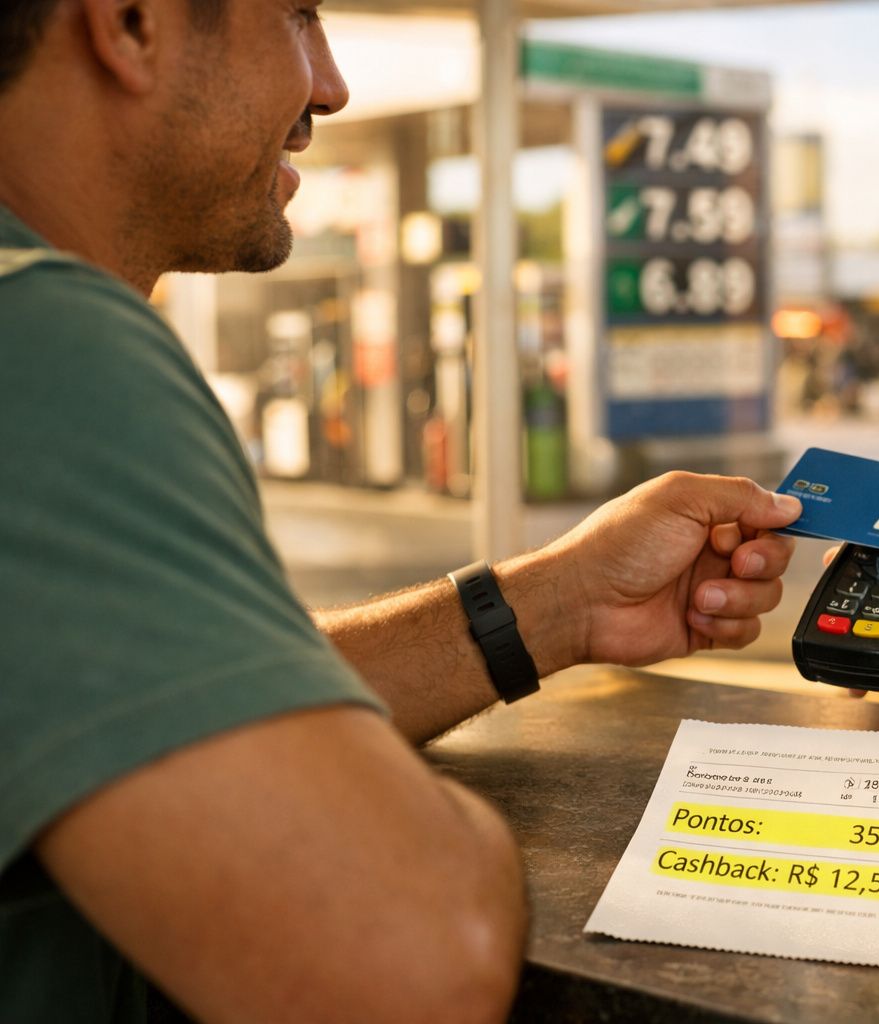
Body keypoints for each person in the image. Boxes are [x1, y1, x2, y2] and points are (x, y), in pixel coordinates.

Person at [0, 2, 799, 1021]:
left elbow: (192, 707)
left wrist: (560, 600)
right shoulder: (44, 341)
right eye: (294, 16)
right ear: (130, 22)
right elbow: (416, 959)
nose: (329, 83)